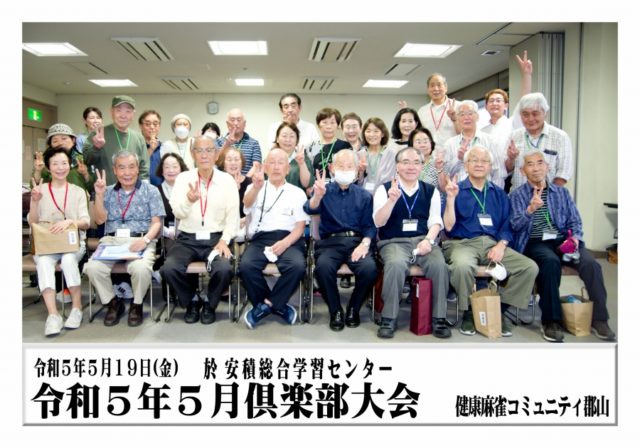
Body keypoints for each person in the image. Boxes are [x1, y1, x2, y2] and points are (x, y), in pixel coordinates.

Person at [510, 150, 616, 342]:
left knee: (591, 265)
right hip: (536, 242)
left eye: (540, 163)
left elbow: (575, 220)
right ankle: (551, 321)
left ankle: (600, 319)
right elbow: (515, 226)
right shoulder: (517, 195)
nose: (536, 168)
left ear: (547, 167)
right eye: (530, 164)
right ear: (522, 171)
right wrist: (530, 210)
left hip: (563, 241)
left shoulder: (561, 193)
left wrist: (574, 239)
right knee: (550, 263)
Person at [442, 145, 538, 337]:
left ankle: (498, 311)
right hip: (462, 244)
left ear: (490, 166)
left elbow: (507, 225)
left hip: (493, 244)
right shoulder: (455, 190)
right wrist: (451, 199)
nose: (479, 164)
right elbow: (448, 227)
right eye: (474, 160)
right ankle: (469, 311)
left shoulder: (499, 194)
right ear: (466, 165)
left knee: (529, 267)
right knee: (462, 266)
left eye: (484, 161)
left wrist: (501, 245)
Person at [160, 136, 239, 325]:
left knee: (224, 269)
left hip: (216, 239)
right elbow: (177, 212)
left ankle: (210, 304)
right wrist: (189, 200)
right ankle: (192, 302)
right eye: (199, 150)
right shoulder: (183, 179)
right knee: (169, 268)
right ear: (192, 154)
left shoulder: (226, 180)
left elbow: (233, 217)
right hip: (187, 239)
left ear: (216, 154)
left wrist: (225, 240)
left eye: (209, 150)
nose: (204, 155)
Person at [373, 147, 451, 339]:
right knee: (395, 264)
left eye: (416, 162)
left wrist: (428, 240)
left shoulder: (430, 191)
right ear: (397, 166)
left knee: (439, 265)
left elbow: (436, 221)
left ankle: (439, 317)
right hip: (393, 241)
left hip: (423, 239)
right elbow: (378, 222)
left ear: (422, 166)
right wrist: (391, 201)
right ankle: (389, 317)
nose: (411, 167)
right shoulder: (384, 189)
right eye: (406, 162)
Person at [83, 151, 165, 327]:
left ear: (138, 169)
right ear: (115, 170)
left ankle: (136, 304)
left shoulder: (151, 191)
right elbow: (99, 220)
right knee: (92, 268)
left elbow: (157, 223)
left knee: (141, 268)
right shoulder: (106, 191)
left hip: (140, 239)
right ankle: (113, 303)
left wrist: (145, 240)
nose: (127, 172)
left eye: (131, 167)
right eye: (122, 168)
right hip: (111, 241)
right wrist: (99, 195)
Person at [304, 150, 377, 331]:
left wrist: (365, 244)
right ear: (331, 168)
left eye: (350, 166)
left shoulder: (364, 196)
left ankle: (354, 308)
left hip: (356, 243)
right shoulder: (323, 190)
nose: (345, 170)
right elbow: (309, 209)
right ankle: (335, 310)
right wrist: (317, 196)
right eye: (340, 166)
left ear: (357, 170)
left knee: (369, 269)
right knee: (323, 268)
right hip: (330, 244)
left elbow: (369, 226)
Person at [240, 148, 309, 329]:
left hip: (290, 239)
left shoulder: (297, 192)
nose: (276, 167)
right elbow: (246, 205)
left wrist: (285, 243)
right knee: (246, 266)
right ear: (265, 166)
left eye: (280, 163)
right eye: (271, 162)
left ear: (288, 168)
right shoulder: (255, 186)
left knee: (297, 266)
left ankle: (265, 306)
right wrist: (256, 188)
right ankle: (278, 306)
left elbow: (300, 227)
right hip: (261, 238)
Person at [28, 147, 90, 336]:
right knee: (43, 262)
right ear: (48, 168)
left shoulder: (78, 191)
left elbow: (86, 222)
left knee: (69, 260)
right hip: (47, 244)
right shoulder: (40, 190)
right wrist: (35, 201)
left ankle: (77, 308)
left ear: (69, 165)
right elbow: (33, 222)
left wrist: (70, 222)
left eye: (64, 163)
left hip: (72, 243)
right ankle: (53, 315)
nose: (60, 167)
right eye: (55, 164)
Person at [481, 51, 533, 190]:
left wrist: (526, 75)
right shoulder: (482, 131)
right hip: (485, 179)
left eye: (499, 101)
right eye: (491, 101)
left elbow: (524, 101)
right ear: (486, 106)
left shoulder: (512, 123)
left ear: (506, 105)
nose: (495, 104)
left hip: (507, 178)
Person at [508, 92, 574, 189]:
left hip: (549, 195)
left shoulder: (560, 137)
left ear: (545, 113)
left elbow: (564, 172)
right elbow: (507, 170)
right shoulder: (514, 136)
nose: (530, 119)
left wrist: (549, 194)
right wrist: (511, 159)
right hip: (518, 195)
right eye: (525, 114)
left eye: (535, 114)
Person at [83, 95, 149, 185]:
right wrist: (96, 148)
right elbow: (87, 160)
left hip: (134, 192)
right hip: (105, 190)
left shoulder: (138, 138)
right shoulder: (98, 134)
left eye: (128, 111)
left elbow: (144, 168)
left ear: (133, 114)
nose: (123, 115)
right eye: (118, 110)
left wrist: (143, 188)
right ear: (111, 112)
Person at [438, 100, 499, 189]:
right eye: (462, 114)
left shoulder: (490, 141)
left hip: (485, 192)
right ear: (457, 119)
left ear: (477, 117)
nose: (466, 117)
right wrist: (459, 159)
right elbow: (446, 175)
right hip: (458, 193)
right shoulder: (449, 144)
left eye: (470, 113)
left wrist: (494, 194)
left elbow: (498, 173)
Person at [33, 123, 94, 192]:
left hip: (78, 198)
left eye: (64, 138)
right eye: (55, 141)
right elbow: (35, 187)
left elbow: (92, 187)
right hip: (53, 198)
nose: (60, 143)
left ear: (73, 140)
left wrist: (85, 174)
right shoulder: (45, 161)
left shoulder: (82, 160)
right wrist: (38, 171)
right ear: (51, 145)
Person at [374, 107, 422, 190]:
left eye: (410, 121)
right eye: (403, 121)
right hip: (391, 189)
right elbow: (381, 173)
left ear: (416, 124)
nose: (407, 125)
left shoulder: (421, 147)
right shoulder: (391, 147)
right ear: (398, 124)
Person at [417, 73, 461, 147]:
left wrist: (455, 120)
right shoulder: (422, 111)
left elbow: (466, 134)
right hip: (431, 152)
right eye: (432, 86)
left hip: (454, 151)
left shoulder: (459, 106)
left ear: (446, 87)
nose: (436, 89)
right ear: (428, 89)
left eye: (439, 85)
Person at [307, 108, 351, 178]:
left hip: (339, 184)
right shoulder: (312, 147)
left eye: (332, 123)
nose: (329, 127)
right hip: (316, 184)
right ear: (318, 125)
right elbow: (308, 171)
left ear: (337, 125)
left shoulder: (345, 146)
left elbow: (350, 171)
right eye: (325, 122)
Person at [215, 146, 252, 233]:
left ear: (242, 163)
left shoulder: (251, 183)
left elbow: (255, 210)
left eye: (236, 159)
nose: (233, 163)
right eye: (229, 160)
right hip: (223, 228)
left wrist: (245, 220)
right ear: (223, 164)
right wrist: (233, 191)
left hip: (245, 227)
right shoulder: (217, 183)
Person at [217, 108, 263, 175]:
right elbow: (215, 162)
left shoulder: (254, 143)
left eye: (239, 120)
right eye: (232, 120)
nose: (235, 123)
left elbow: (256, 166)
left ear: (244, 123)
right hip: (224, 180)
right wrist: (227, 144)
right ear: (227, 124)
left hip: (247, 180)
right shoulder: (219, 141)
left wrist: (244, 180)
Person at [273, 121, 314, 194]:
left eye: (292, 136)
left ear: (297, 140)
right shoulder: (270, 158)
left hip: (297, 199)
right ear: (277, 139)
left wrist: (301, 163)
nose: (288, 140)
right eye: (284, 136)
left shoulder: (304, 159)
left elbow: (307, 184)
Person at [358, 117, 389, 194]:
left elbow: (389, 179)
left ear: (382, 134)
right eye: (368, 131)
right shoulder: (360, 154)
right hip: (363, 195)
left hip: (383, 194)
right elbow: (358, 182)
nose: (371, 135)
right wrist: (361, 172)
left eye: (376, 131)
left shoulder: (389, 154)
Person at [139, 110, 164, 186]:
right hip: (140, 189)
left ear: (159, 126)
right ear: (141, 126)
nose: (152, 127)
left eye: (155, 124)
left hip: (161, 190)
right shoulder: (136, 146)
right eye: (147, 124)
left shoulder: (165, 148)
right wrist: (150, 150)